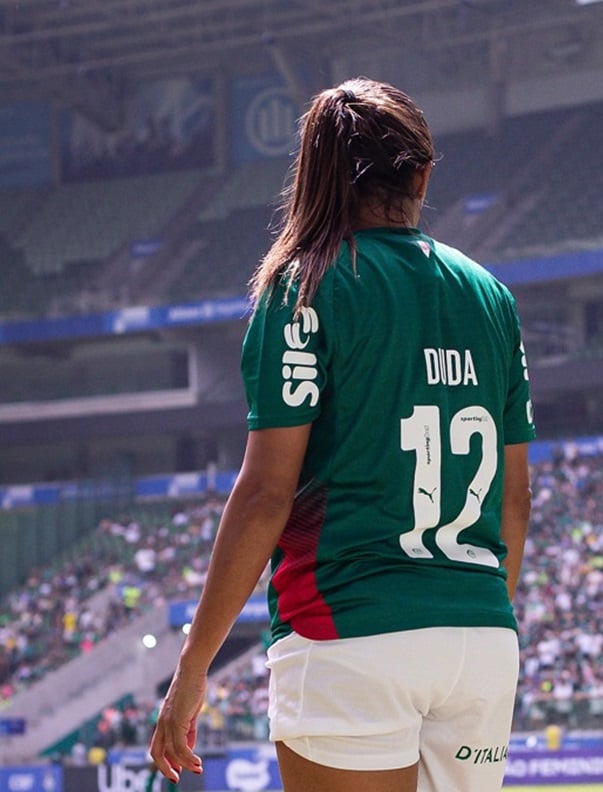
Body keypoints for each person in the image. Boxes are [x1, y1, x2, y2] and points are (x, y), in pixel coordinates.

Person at [149, 77, 535, 792]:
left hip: (350, 629)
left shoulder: (305, 285)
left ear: (316, 178)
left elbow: (267, 493)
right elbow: (516, 498)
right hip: (481, 636)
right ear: (422, 174)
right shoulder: (492, 296)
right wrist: (470, 615)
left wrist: (193, 667)